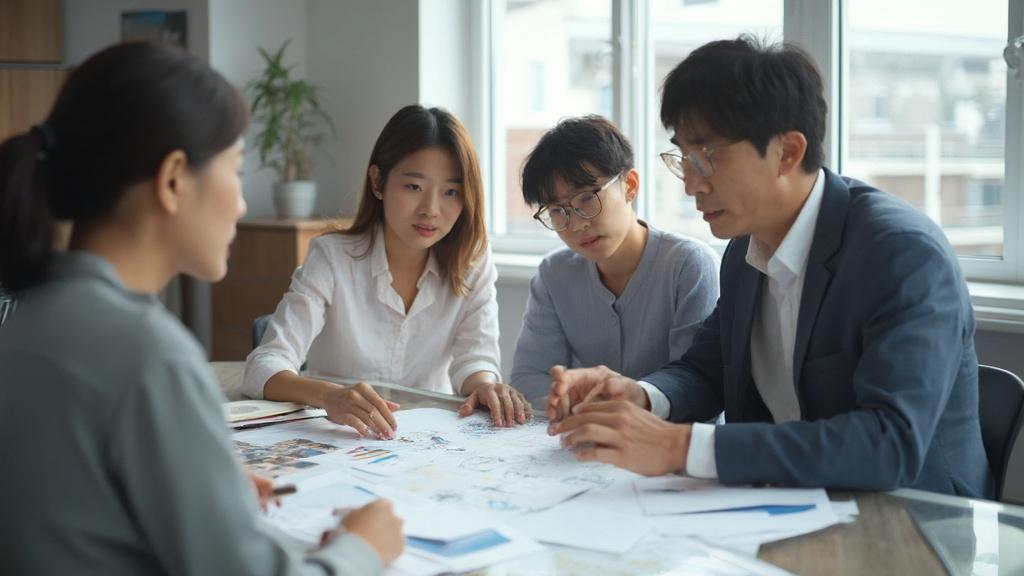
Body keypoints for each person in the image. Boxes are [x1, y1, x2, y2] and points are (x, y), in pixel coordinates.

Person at [0, 42, 403, 575]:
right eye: (235, 171)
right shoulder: (148, 354)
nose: (241, 203)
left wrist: (200, 487)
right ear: (173, 181)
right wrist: (362, 549)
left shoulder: (25, 319)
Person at [547, 35, 992, 497]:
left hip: (917, 517)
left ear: (788, 152)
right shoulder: (744, 251)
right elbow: (707, 371)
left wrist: (680, 446)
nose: (691, 185)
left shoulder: (901, 254)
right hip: (790, 503)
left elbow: (889, 444)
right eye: (683, 158)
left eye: (706, 158)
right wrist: (638, 395)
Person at [244, 105, 530, 434]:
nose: (431, 210)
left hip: (430, 442)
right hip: (343, 438)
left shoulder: (472, 261)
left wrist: (486, 386)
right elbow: (264, 366)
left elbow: (474, 360)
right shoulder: (332, 257)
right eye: (414, 187)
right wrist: (330, 396)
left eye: (451, 192)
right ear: (378, 181)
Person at [511, 115, 718, 403]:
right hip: (591, 427)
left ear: (630, 185)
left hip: (668, 430)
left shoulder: (689, 265)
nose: (577, 224)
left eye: (587, 198)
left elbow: (697, 385)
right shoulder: (554, 273)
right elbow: (529, 377)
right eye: (557, 210)